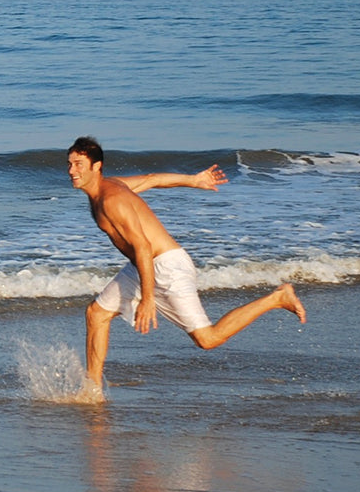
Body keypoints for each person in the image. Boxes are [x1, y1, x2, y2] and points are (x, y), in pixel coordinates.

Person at [67, 136, 306, 398]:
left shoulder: (112, 200)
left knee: (208, 339)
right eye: (70, 164)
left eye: (79, 164)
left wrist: (147, 299)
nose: (72, 171)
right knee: (97, 313)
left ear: (96, 166)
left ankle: (277, 298)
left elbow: (144, 247)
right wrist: (193, 180)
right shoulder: (107, 188)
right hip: (143, 266)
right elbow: (151, 179)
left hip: (167, 267)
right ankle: (92, 389)